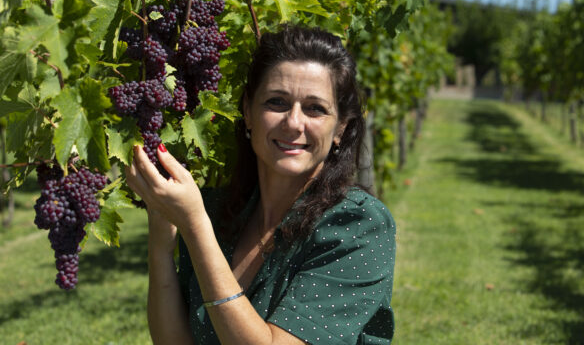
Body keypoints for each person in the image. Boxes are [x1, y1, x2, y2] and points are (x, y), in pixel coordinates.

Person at [125, 25, 396, 345]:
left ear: (340, 129)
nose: (294, 123)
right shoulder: (218, 210)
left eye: (315, 108)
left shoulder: (357, 226)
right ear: (248, 112)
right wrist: (161, 240)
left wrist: (195, 226)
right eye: (277, 102)